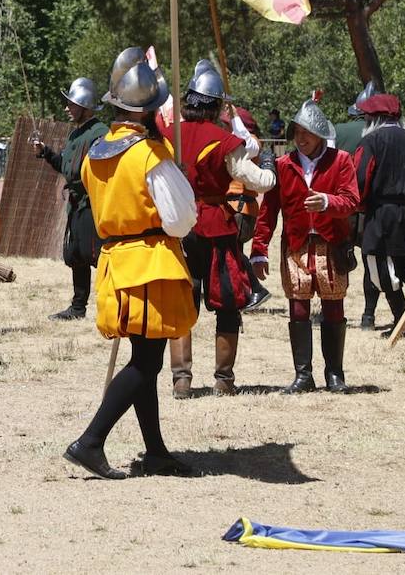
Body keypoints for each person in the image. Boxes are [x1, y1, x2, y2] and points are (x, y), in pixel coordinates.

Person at [63, 48, 197, 479]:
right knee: (146, 363)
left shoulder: (96, 151)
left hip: (116, 259)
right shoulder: (150, 154)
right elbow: (179, 220)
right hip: (150, 260)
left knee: (146, 359)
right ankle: (91, 441)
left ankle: (155, 451)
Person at [164, 61, 275, 398]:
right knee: (227, 302)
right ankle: (224, 381)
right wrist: (268, 164)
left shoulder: (169, 137)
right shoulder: (224, 140)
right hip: (216, 227)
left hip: (179, 227)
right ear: (214, 106)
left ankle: (182, 380)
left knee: (183, 301)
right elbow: (262, 182)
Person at [252, 96, 360, 394]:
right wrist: (259, 250)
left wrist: (327, 202)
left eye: (306, 133)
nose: (301, 139)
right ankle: (303, 375)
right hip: (296, 246)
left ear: (319, 134)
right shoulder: (283, 165)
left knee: (333, 305)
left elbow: (352, 201)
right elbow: (269, 210)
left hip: (331, 244)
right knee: (298, 308)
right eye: (296, 133)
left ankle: (334, 374)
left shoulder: (341, 161)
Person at [353, 94, 405, 337]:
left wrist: (356, 205)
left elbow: (360, 177)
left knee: (382, 272)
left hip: (380, 214)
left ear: (373, 117)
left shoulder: (371, 141)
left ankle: (401, 322)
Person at [33, 77, 107, 321]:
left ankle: (109, 305)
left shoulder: (100, 133)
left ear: (84, 106)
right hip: (76, 204)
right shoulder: (76, 135)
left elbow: (98, 172)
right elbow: (67, 168)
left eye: (71, 103)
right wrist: (46, 153)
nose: (66, 107)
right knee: (76, 255)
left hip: (93, 204)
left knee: (96, 254)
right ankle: (78, 308)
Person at [338, 82, 377, 329]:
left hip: (343, 208)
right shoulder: (383, 132)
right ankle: (368, 316)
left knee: (338, 260)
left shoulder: (339, 130)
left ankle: (334, 309)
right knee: (370, 261)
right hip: (371, 208)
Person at [229, 106, 274, 312]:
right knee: (233, 252)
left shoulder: (251, 142)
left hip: (240, 205)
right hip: (237, 204)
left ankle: (256, 288)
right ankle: (245, 292)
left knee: (234, 251)